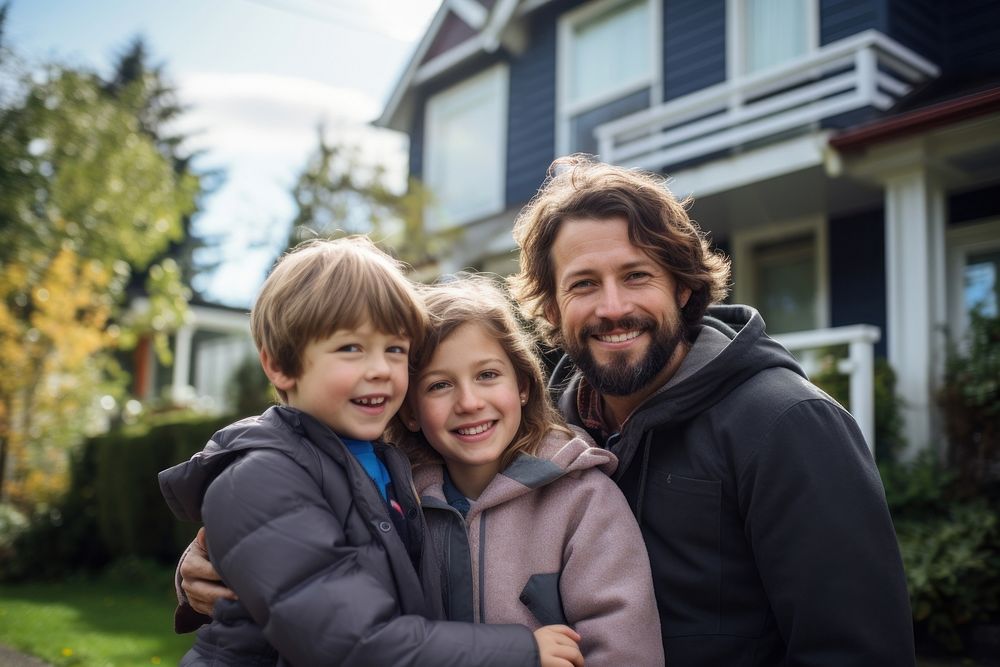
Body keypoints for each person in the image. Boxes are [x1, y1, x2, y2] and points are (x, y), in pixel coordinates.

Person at [506, 155, 915, 665]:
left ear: (682, 286)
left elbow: (858, 653)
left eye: (636, 276)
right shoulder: (551, 444)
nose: (612, 307)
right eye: (583, 284)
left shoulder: (786, 423)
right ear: (551, 306)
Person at [158, 237, 583, 667]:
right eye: (351, 348)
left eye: (395, 349)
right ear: (280, 366)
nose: (380, 369)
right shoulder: (261, 477)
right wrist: (520, 651)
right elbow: (349, 643)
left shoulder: (388, 462)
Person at [387, 275, 663, 666]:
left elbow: (627, 651)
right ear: (410, 411)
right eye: (439, 385)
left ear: (523, 385)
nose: (469, 402)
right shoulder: (398, 510)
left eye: (487, 375)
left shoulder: (584, 501)